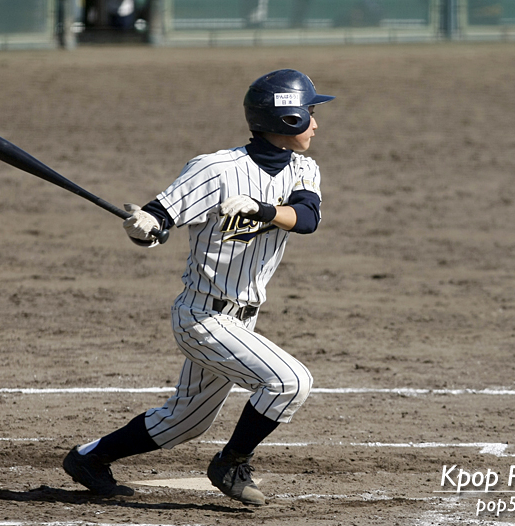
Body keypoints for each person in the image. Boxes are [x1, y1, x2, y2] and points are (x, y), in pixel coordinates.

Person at [62, 69, 335, 506]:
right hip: (202, 317)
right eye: (310, 112)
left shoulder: (304, 168)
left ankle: (89, 460)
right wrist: (144, 226)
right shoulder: (215, 169)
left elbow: (307, 219)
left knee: (184, 422)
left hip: (243, 319)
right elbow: (158, 219)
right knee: (289, 382)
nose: (316, 122)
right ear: (287, 119)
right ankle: (231, 463)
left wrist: (263, 210)